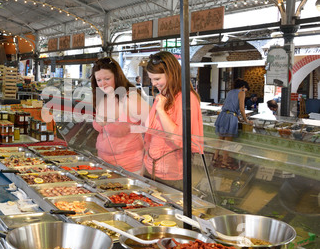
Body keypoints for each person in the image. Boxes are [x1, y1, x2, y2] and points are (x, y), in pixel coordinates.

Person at [143, 51, 204, 189]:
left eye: (157, 79)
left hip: (171, 175)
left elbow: (179, 139)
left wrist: (161, 111)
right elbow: (150, 133)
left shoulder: (187, 98)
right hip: (151, 169)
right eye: (151, 79)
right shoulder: (163, 96)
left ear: (171, 74)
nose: (153, 83)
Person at [91, 57, 149, 173]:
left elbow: (152, 126)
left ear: (117, 77)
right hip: (103, 164)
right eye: (99, 80)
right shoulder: (101, 98)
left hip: (128, 168)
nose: (103, 84)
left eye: (107, 78)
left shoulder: (130, 98)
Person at [213, 78, 253, 169]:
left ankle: (215, 158)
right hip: (230, 118)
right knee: (227, 142)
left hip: (223, 116)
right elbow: (242, 108)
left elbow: (231, 107)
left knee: (220, 139)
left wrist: (239, 118)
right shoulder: (241, 92)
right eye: (246, 89)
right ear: (243, 87)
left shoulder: (230, 92)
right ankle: (224, 162)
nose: (246, 91)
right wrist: (246, 120)